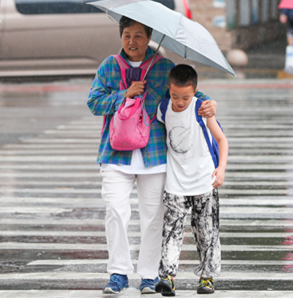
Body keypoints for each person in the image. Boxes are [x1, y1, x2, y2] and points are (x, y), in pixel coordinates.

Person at [87, 17, 217, 295]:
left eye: (138, 36)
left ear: (149, 38)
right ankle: (118, 273)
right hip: (114, 154)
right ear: (120, 36)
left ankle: (148, 275)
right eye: (126, 35)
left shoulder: (163, 67)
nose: (131, 42)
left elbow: (185, 94)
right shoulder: (109, 66)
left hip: (154, 154)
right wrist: (124, 94)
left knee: (153, 217)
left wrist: (208, 103)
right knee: (115, 211)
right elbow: (94, 102)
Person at [154, 64, 228, 296]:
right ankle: (167, 277)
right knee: (171, 231)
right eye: (175, 95)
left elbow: (222, 140)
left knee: (206, 231)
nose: (179, 102)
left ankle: (207, 278)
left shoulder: (201, 109)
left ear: (195, 91)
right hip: (175, 183)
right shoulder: (163, 108)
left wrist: (221, 168)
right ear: (169, 90)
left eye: (185, 97)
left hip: (204, 182)